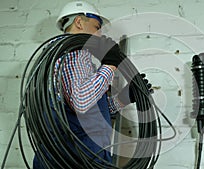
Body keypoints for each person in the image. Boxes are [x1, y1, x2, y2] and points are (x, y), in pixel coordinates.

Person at [33, 1, 152, 168]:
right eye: (97, 27)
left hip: (59, 157)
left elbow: (89, 111)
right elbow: (81, 102)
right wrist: (110, 65)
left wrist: (124, 98)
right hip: (80, 158)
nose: (99, 34)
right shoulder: (75, 53)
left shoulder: (52, 57)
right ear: (79, 22)